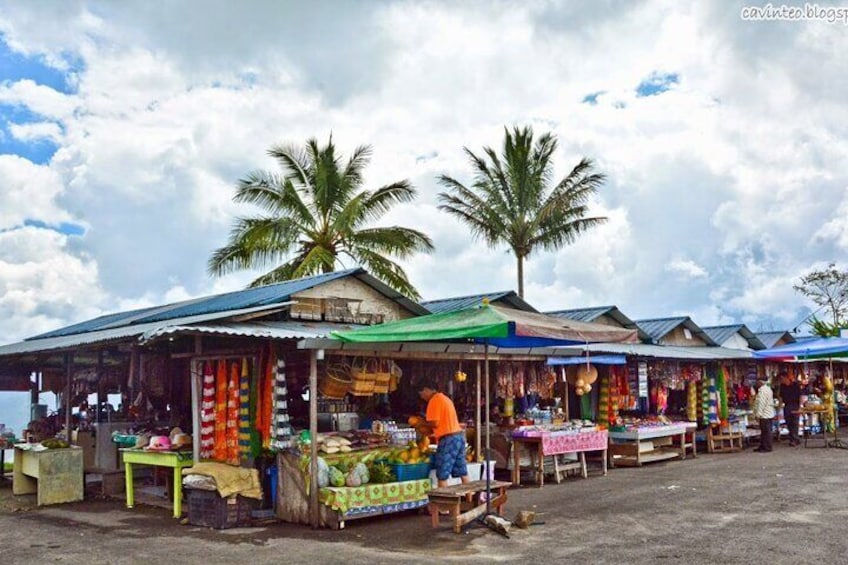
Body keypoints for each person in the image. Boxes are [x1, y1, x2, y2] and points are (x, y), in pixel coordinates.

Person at [418, 380, 469, 488]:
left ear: (426, 390)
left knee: (442, 474)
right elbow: (438, 426)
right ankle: (471, 497)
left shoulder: (434, 400)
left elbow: (434, 423)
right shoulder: (444, 398)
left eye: (421, 394)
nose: (422, 397)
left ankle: (445, 502)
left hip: (449, 439)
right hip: (458, 437)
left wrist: (420, 422)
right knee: (462, 471)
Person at [753, 376, 776, 452]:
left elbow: (761, 404)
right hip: (767, 414)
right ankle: (763, 446)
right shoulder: (767, 389)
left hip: (764, 414)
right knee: (765, 431)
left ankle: (767, 447)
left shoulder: (763, 391)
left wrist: (758, 415)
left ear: (760, 382)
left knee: (766, 432)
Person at [779, 371, 801, 446]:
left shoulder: (795, 385)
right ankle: (792, 438)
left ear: (786, 378)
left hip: (795, 405)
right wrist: (779, 407)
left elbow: (800, 396)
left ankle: (795, 439)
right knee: (788, 423)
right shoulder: (782, 386)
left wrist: (800, 407)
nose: (782, 380)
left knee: (794, 423)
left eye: (782, 378)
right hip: (787, 405)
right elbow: (781, 397)